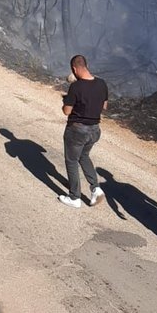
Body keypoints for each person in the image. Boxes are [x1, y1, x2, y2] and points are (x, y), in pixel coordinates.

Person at [59, 54, 108, 209]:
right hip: (95, 130)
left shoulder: (76, 87)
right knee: (84, 156)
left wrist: (66, 100)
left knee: (72, 161)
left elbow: (67, 111)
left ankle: (74, 197)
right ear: (86, 66)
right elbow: (104, 106)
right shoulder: (101, 84)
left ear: (74, 69)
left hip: (77, 130)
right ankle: (96, 188)